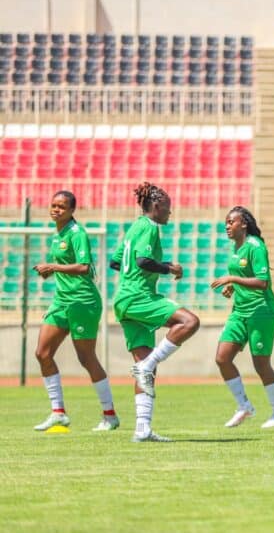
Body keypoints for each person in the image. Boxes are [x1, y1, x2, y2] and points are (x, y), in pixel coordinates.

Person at [112, 182, 201, 442]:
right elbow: (142, 260)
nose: (170, 214)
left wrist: (134, 276)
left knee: (144, 366)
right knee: (190, 321)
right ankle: (147, 366)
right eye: (168, 209)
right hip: (139, 296)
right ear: (157, 205)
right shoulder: (149, 228)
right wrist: (169, 268)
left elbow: (117, 261)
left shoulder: (133, 228)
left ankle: (142, 429)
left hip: (124, 298)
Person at [32, 190, 119, 432]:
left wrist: (53, 266)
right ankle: (58, 412)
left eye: (61, 206)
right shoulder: (57, 232)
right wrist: (52, 271)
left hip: (82, 301)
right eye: (53, 205)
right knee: (42, 353)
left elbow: (84, 267)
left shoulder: (77, 233)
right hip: (62, 301)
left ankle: (109, 415)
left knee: (86, 358)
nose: (55, 209)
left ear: (72, 211)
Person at [210, 206, 274, 429]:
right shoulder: (236, 247)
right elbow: (246, 277)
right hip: (240, 312)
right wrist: (233, 287)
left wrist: (232, 278)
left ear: (243, 224)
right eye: (226, 222)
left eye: (231, 222)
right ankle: (244, 405)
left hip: (261, 312)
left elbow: (263, 282)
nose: (227, 226)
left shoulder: (255, 246)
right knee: (222, 358)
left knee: (261, 363)